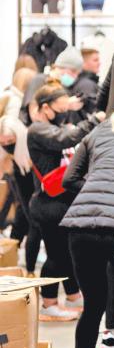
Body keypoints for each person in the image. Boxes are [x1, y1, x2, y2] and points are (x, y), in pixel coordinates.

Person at [60, 106, 114, 348]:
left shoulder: (95, 133)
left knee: (93, 306)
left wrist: (95, 191)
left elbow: (68, 179)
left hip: (80, 226)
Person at [27, 83, 104, 320]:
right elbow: (66, 138)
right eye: (61, 108)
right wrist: (95, 119)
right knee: (57, 255)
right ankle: (49, 303)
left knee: (66, 253)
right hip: (49, 204)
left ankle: (72, 294)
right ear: (45, 108)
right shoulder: (38, 130)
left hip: (59, 201)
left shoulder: (50, 125)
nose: (64, 112)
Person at [0, 114, 40, 276]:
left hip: (34, 184)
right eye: (2, 143)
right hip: (20, 181)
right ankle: (24, 269)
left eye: (10, 142)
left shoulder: (30, 144)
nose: (6, 145)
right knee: (25, 219)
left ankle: (28, 269)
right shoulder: (7, 156)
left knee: (30, 222)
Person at [70, 48, 100, 113]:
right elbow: (93, 111)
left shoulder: (83, 81)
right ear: (83, 63)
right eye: (95, 60)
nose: (99, 63)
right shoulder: (87, 85)